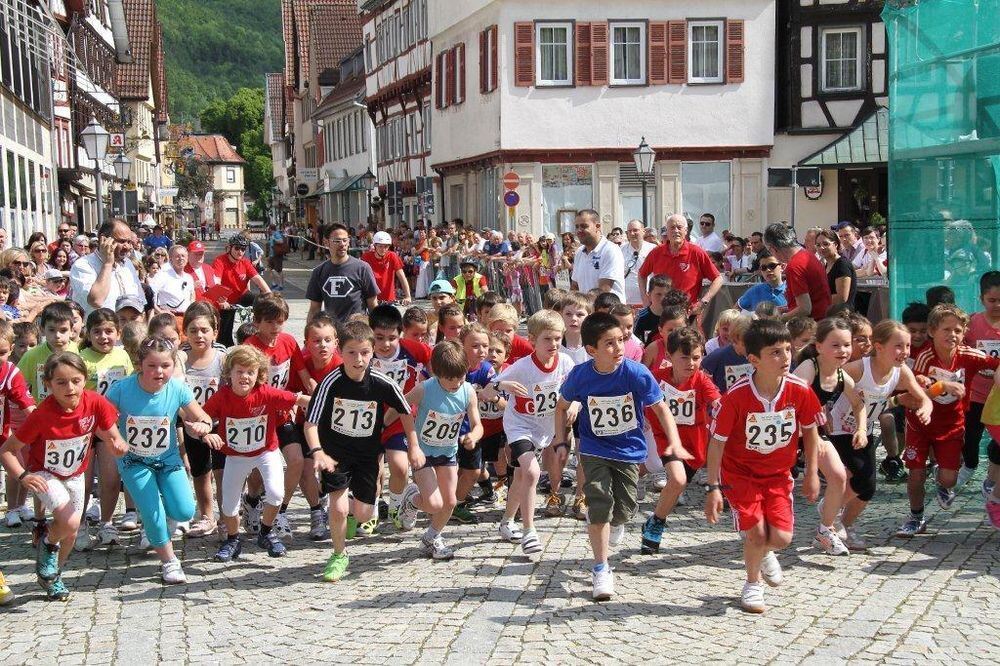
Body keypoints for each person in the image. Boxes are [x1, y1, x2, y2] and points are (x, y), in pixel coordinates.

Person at [554, 311, 684, 601]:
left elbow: (661, 408)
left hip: (628, 450)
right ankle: (601, 568)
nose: (618, 348)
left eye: (620, 341)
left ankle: (616, 522)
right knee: (599, 503)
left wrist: (673, 441)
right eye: (609, 343)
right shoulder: (581, 376)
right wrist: (560, 441)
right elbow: (561, 407)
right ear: (592, 350)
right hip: (594, 449)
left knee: (624, 509)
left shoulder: (636, 373)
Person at [704, 319, 823, 614]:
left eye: (787, 350)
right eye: (775, 353)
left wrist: (811, 473)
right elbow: (716, 443)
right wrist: (713, 488)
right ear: (754, 359)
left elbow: (811, 433)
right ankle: (752, 584)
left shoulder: (800, 391)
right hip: (740, 474)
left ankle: (764, 552)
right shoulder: (736, 396)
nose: (785, 358)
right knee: (756, 533)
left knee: (781, 539)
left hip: (778, 475)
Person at [0, 352, 124, 601]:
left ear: (85, 379)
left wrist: (118, 443)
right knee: (68, 521)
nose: (70, 388)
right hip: (45, 474)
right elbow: (7, 451)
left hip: (75, 474)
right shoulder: (41, 415)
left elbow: (112, 433)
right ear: (48, 384)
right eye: (61, 382)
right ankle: (47, 543)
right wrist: (23, 476)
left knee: (71, 531)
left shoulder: (95, 402)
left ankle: (52, 576)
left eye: (76, 381)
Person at [305, 320, 415, 582]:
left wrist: (414, 445)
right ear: (340, 352)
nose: (358, 359)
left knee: (364, 514)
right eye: (351, 352)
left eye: (365, 352)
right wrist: (318, 451)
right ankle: (339, 554)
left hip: (367, 455)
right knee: (338, 508)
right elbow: (311, 423)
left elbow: (405, 410)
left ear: (372, 351)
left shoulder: (381, 382)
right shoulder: (330, 383)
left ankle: (356, 513)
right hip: (335, 454)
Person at [105, 337, 212, 584]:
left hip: (168, 459)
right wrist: (115, 439)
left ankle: (162, 525)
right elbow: (103, 418)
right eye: (152, 366)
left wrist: (203, 426)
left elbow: (203, 416)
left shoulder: (177, 389)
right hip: (133, 461)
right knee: (152, 513)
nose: (159, 372)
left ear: (174, 365)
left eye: (165, 365)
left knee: (184, 510)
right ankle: (169, 561)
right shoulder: (121, 389)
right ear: (140, 365)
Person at [202, 345, 310, 561]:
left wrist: (326, 403)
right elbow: (203, 417)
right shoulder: (222, 396)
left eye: (250, 372)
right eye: (239, 371)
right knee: (228, 505)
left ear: (259, 375)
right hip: (235, 456)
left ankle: (266, 532)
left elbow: (298, 399)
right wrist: (205, 432)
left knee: (276, 494)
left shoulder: (266, 393)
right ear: (229, 374)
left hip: (265, 452)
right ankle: (233, 539)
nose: (244, 377)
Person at [901, 304, 1000, 536]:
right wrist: (942, 386)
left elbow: (996, 363)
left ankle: (941, 478)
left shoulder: (969, 355)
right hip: (920, 423)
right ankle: (916, 517)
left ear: (964, 333)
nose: (952, 335)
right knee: (916, 474)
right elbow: (916, 393)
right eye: (946, 329)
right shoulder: (925, 357)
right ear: (932, 331)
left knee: (949, 479)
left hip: (951, 425)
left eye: (958, 330)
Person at [395, 341, 483, 560]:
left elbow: (478, 425)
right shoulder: (425, 389)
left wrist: (473, 436)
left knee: (450, 502)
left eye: (460, 377)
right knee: (434, 504)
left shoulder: (468, 391)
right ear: (437, 373)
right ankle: (411, 499)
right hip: (423, 453)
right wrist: (385, 425)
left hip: (448, 453)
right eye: (450, 379)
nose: (456, 383)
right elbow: (401, 406)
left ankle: (432, 536)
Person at [640, 327, 721, 555]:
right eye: (684, 357)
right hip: (666, 438)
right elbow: (637, 396)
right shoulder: (656, 378)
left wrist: (723, 409)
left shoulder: (702, 380)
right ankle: (657, 526)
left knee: (677, 487)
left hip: (694, 446)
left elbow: (717, 401)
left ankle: (654, 519)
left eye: (696, 357)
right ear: (669, 356)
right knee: (677, 480)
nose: (691, 363)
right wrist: (641, 417)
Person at [181, 304, 226, 538]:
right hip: (192, 427)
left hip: (220, 425)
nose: (199, 335)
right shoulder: (180, 360)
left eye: (204, 330)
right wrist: (189, 420)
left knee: (222, 471)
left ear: (215, 332)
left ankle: (227, 516)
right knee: (200, 472)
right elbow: (176, 395)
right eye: (193, 330)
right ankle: (207, 516)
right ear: (185, 333)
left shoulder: (222, 359)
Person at [960, 271, 1000, 488]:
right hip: (976, 393)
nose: (997, 305)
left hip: (998, 397)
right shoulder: (972, 323)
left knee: (997, 442)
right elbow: (959, 350)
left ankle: (992, 480)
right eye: (992, 300)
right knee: (971, 437)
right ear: (981, 299)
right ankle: (969, 466)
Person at [637, 214, 723, 315]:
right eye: (672, 227)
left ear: (686, 231)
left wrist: (704, 301)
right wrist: (645, 298)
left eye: (679, 227)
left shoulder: (696, 252)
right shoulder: (656, 252)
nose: (676, 231)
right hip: (660, 314)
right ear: (667, 231)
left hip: (687, 314)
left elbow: (718, 279)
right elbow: (641, 274)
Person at [70, 220, 145, 317]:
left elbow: (140, 301)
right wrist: (107, 264)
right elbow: (96, 301)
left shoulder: (128, 263)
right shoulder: (82, 265)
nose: (127, 247)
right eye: (122, 241)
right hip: (99, 325)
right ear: (103, 239)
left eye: (129, 242)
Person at [306, 223, 379, 323]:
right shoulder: (319, 271)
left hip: (357, 329)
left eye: (345, 240)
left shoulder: (362, 268)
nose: (342, 244)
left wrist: (376, 329)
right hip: (332, 330)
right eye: (337, 241)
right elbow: (314, 309)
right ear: (326, 242)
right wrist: (310, 331)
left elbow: (373, 305)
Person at [764, 223, 831, 321]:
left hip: (812, 324)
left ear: (773, 248)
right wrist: (786, 309)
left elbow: (805, 309)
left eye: (770, 251)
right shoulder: (807, 255)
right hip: (823, 319)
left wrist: (778, 319)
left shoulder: (794, 266)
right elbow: (812, 298)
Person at [570, 210, 626, 302]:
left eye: (584, 226)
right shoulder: (579, 252)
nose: (579, 230)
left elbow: (603, 291)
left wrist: (584, 307)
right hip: (586, 308)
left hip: (608, 310)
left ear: (598, 226)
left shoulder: (610, 250)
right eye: (577, 227)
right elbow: (575, 286)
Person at [361, 231, 411, 305]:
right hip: (371, 299)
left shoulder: (392, 256)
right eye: (380, 246)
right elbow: (360, 277)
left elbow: (402, 277)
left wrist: (408, 296)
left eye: (386, 247)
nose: (383, 249)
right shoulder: (366, 257)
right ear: (375, 245)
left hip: (389, 299)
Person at [815, 229, 857, 310]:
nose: (821, 248)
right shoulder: (826, 265)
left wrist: (816, 300)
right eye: (818, 245)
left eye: (825, 244)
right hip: (828, 312)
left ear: (835, 244)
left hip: (841, 315)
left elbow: (841, 297)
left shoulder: (842, 264)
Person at [149, 245, 195, 316]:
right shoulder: (162, 275)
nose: (181, 258)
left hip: (186, 317)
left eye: (183, 256)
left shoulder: (189, 278)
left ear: (187, 258)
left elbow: (192, 296)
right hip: (168, 318)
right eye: (177, 256)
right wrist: (159, 311)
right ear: (171, 260)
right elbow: (150, 294)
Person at [621, 219, 657, 306]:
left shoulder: (653, 249)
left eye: (635, 230)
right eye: (629, 231)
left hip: (648, 300)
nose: (632, 233)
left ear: (643, 231)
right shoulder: (621, 249)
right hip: (626, 301)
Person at [266, 225, 288, 292]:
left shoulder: (276, 234)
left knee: (279, 270)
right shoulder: (272, 234)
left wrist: (274, 239)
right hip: (272, 255)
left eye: (268, 229)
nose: (267, 230)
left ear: (271, 229)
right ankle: (274, 284)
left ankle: (281, 285)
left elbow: (281, 241)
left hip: (277, 255)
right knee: (269, 268)